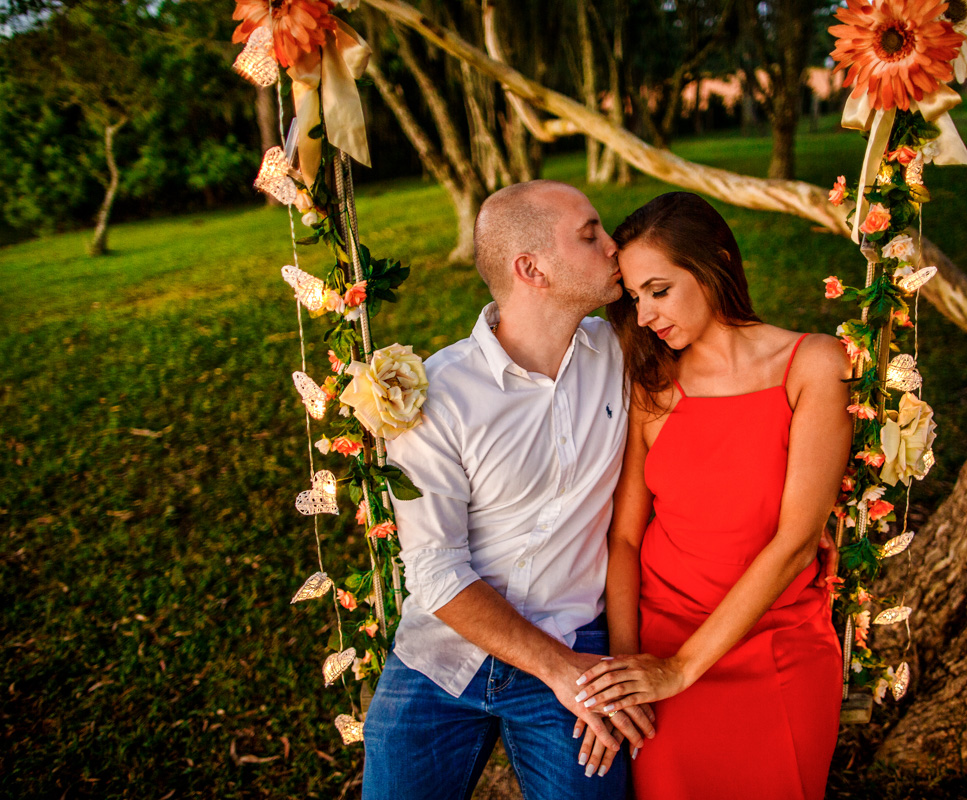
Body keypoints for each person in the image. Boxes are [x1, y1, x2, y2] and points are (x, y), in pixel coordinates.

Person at [362, 180, 656, 800]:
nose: (614, 246)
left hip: (575, 632)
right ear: (532, 268)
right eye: (591, 234)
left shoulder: (621, 353)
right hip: (443, 656)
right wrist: (562, 673)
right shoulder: (436, 396)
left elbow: (719, 382)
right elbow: (437, 573)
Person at [572, 192, 852, 800]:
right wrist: (629, 671)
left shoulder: (814, 366)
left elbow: (798, 540)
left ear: (715, 264)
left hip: (778, 642)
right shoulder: (654, 387)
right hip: (661, 637)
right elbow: (623, 537)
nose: (643, 316)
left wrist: (682, 669)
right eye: (634, 297)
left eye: (659, 290)